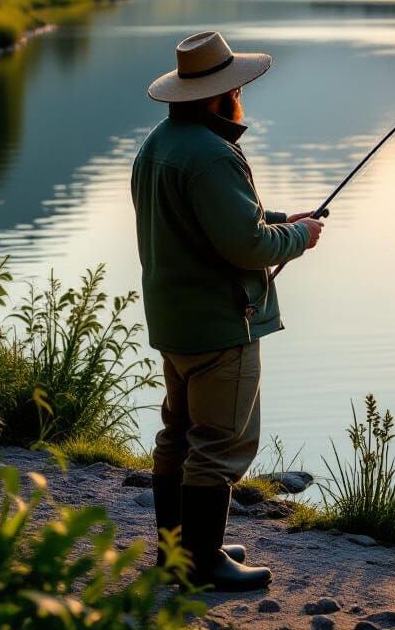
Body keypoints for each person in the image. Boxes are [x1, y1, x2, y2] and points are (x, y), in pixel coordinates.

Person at [131, 30, 324, 591]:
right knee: (219, 442)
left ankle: (179, 553)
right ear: (220, 96)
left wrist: (286, 221)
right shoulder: (214, 155)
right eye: (236, 87)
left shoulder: (159, 144)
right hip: (220, 324)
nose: (241, 94)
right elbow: (246, 246)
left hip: (174, 321)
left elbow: (214, 222)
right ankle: (204, 562)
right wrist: (296, 240)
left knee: (179, 433)